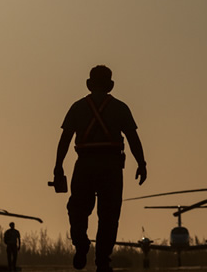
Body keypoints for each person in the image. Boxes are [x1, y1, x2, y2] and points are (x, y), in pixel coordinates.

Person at [54, 65, 147, 272]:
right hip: (111, 168)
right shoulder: (121, 108)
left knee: (77, 208)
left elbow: (65, 140)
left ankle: (80, 243)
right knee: (109, 214)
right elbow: (133, 138)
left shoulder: (77, 108)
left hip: (84, 165)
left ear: (88, 84)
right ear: (111, 86)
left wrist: (58, 166)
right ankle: (102, 260)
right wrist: (141, 163)